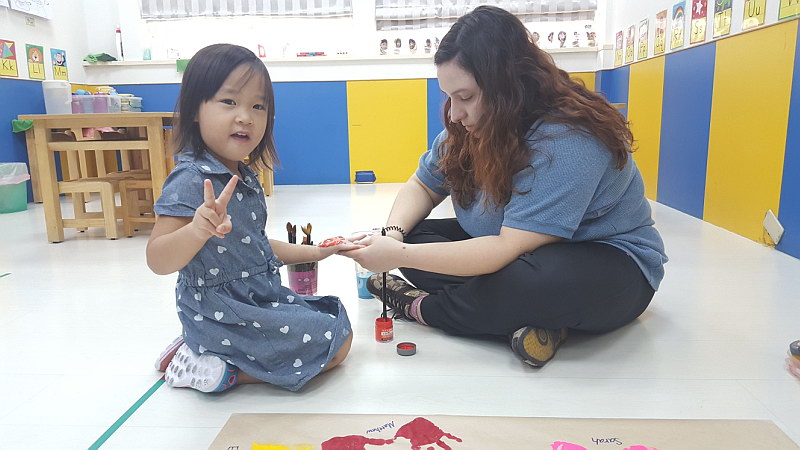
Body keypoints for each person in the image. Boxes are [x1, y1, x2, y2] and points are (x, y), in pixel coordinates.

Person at [342, 6, 667, 368]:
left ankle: (424, 308)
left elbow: (506, 248)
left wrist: (397, 257)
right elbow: (422, 185)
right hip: (511, 251)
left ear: (508, 86)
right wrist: (394, 237)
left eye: (466, 97)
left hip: (607, 262)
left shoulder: (566, 138)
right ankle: (528, 318)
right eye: (449, 97)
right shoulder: (470, 130)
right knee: (416, 236)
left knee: (531, 283)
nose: (455, 114)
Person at [146, 44, 354, 393]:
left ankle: (202, 350)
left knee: (330, 316)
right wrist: (197, 230)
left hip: (255, 299)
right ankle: (216, 369)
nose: (246, 117)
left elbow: (255, 247)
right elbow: (157, 259)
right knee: (336, 344)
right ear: (195, 110)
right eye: (229, 102)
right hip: (222, 311)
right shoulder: (191, 179)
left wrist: (318, 252)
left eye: (258, 106)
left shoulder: (244, 176)